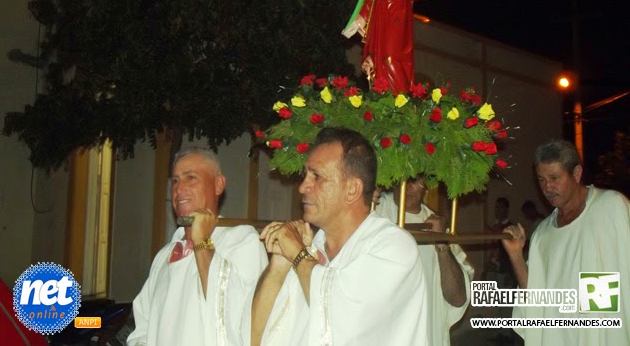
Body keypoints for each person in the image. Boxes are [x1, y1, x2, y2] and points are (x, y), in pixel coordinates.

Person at [250, 127, 428, 345]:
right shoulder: (310, 247)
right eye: (305, 175)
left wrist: (297, 254)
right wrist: (279, 263)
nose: (303, 187)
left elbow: (342, 315)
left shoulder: (394, 247)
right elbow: (254, 336)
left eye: (317, 176)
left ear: (352, 189)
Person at [127, 147, 268, 346]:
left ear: (218, 184)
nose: (179, 189)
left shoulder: (242, 240)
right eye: (175, 181)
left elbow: (240, 318)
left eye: (190, 178)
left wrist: (201, 242)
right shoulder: (164, 255)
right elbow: (143, 327)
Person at [502, 139, 630, 344]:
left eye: (554, 178)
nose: (547, 187)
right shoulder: (542, 234)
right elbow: (535, 296)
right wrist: (516, 254)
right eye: (541, 180)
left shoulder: (611, 208)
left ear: (576, 174)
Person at [374, 177, 474, 346]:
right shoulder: (375, 211)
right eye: (405, 179)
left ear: (426, 186)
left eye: (416, 180)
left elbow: (457, 298)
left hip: (426, 335)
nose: (409, 186)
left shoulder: (436, 224)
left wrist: (442, 244)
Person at [485, 197, 515, 289]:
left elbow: (513, 253)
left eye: (500, 207)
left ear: (506, 209)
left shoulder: (511, 228)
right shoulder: (493, 227)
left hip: (505, 271)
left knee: (503, 300)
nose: (498, 210)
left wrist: (511, 273)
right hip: (492, 270)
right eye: (496, 207)